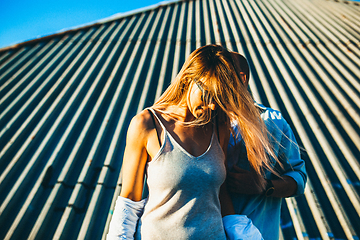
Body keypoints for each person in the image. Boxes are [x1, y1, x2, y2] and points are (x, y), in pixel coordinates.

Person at [106, 44, 273, 239]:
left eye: (219, 98)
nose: (212, 104)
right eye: (208, 94)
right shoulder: (147, 124)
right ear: (188, 79)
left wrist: (243, 233)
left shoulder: (219, 127)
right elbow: (129, 200)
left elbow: (220, 193)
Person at [227, 52, 307, 240]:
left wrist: (265, 186)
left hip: (258, 233)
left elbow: (298, 178)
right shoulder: (201, 124)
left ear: (241, 78)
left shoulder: (273, 122)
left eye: (221, 76)